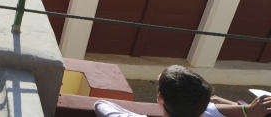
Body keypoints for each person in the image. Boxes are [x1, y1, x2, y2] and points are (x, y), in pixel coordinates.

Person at [94, 65, 271, 117]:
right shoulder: (211, 110)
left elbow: (101, 104)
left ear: (160, 97)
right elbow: (213, 104)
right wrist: (248, 111)